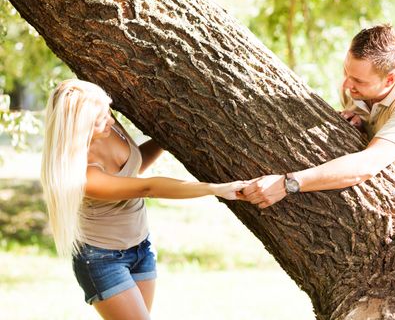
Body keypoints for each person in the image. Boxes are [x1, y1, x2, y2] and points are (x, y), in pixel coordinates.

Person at [40, 79, 247, 320]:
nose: (110, 119)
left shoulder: (110, 126)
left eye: (107, 111)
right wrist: (216, 189)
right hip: (102, 260)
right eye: (100, 119)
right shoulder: (83, 175)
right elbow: (147, 187)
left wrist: (167, 138)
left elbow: (133, 168)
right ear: (80, 126)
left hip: (141, 247)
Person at [242, 24, 395, 221]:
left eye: (358, 80)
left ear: (390, 80)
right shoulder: (355, 92)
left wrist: (287, 184)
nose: (347, 84)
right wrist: (358, 128)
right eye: (346, 72)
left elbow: (366, 165)